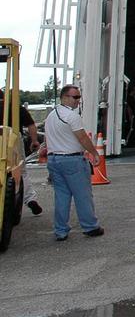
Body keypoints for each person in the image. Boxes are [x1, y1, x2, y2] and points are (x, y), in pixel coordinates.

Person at [43, 85, 104, 241]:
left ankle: (61, 230)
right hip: (72, 159)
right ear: (65, 97)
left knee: (62, 196)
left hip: (54, 159)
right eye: (75, 97)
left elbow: (48, 138)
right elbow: (82, 137)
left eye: (79, 97)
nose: (78, 100)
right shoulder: (72, 116)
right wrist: (94, 152)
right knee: (82, 195)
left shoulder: (51, 115)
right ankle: (90, 226)